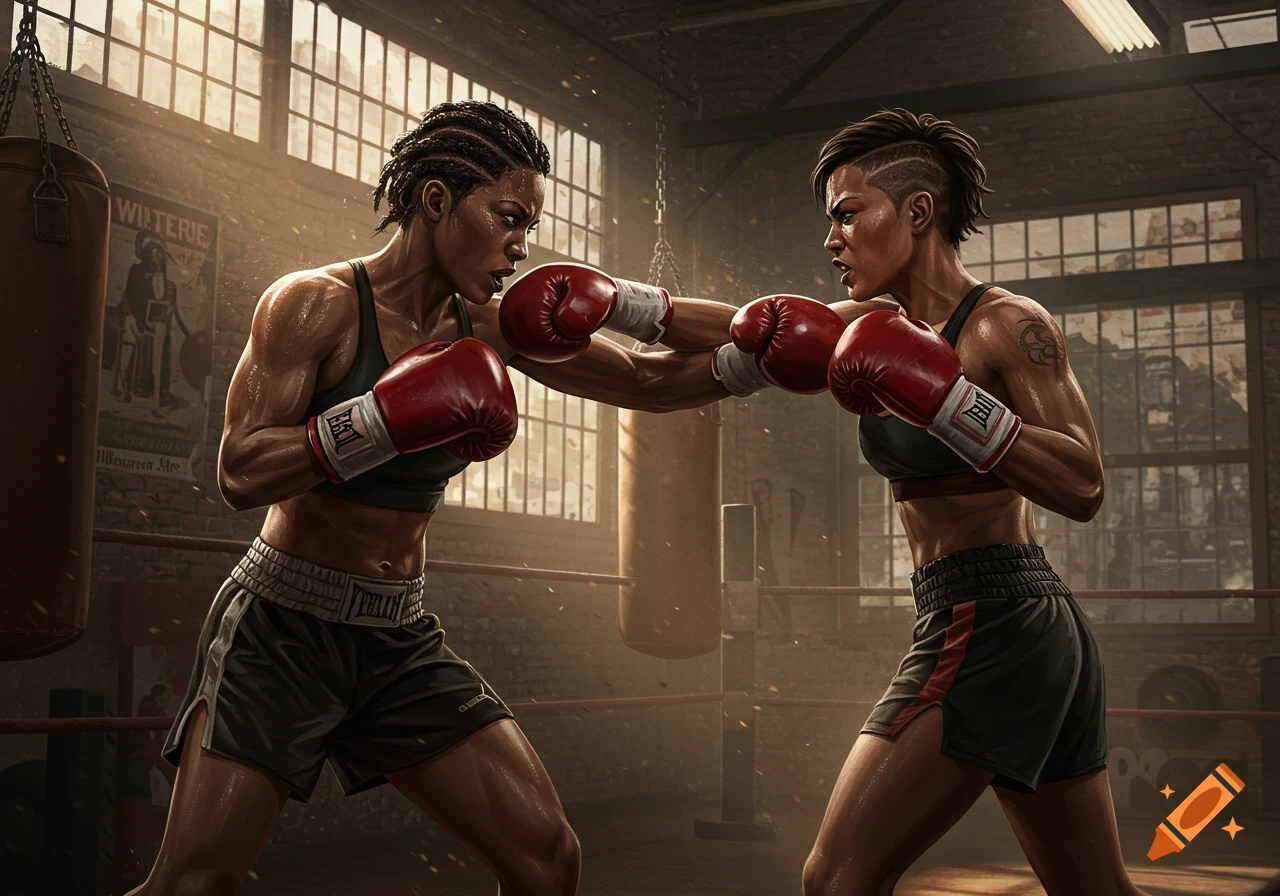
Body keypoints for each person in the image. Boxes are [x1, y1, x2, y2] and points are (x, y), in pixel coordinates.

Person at [131, 100, 744, 896]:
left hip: (396, 636)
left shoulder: (487, 327)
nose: (521, 245)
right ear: (435, 200)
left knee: (546, 860)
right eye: (509, 216)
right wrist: (381, 420)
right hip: (283, 629)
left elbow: (648, 384)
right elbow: (240, 471)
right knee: (195, 883)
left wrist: (758, 356)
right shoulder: (314, 304)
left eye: (529, 225)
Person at [692, 109, 1144, 895]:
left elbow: (1084, 483)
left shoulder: (1007, 324)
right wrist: (615, 306)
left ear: (918, 212)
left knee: (834, 881)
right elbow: (748, 332)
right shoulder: (871, 325)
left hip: (993, 617)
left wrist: (945, 403)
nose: (830, 239)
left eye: (846, 213)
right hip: (1016, 629)